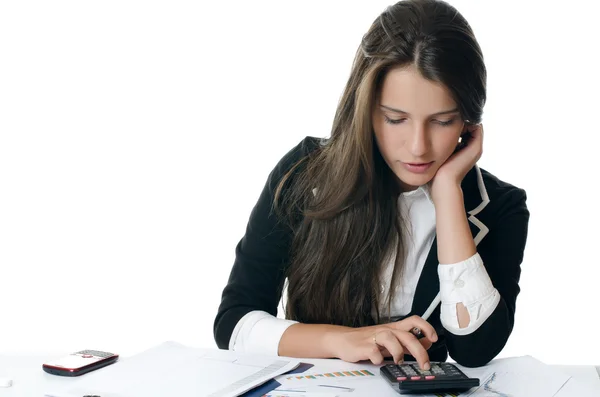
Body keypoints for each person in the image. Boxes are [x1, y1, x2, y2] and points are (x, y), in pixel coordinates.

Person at [214, 0, 529, 370]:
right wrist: (338, 339)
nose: (418, 146)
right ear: (364, 109)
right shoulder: (304, 173)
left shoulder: (499, 206)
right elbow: (234, 324)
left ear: (468, 123)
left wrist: (448, 196)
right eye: (396, 119)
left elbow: (476, 348)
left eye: (442, 121)